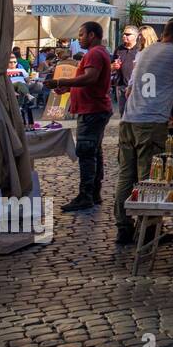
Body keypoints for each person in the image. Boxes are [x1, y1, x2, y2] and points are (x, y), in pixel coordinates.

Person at [114, 17, 173, 246]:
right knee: (149, 179)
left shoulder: (146, 52)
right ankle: (149, 231)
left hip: (128, 120)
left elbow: (132, 91)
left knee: (125, 176)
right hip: (150, 125)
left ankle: (123, 229)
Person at [47, 22, 113, 212]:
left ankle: (86, 195)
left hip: (92, 109)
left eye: (82, 34)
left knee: (86, 152)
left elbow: (90, 78)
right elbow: (90, 81)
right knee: (93, 152)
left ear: (92, 35)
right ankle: (94, 193)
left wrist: (61, 80)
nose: (79, 38)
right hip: (92, 108)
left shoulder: (94, 54)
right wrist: (69, 87)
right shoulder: (97, 53)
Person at [112, 26, 139, 116]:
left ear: (135, 36)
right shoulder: (119, 49)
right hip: (121, 86)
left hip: (136, 87)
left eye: (128, 34)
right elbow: (111, 65)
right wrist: (113, 66)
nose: (124, 36)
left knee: (135, 114)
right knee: (123, 113)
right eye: (124, 34)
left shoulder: (139, 50)